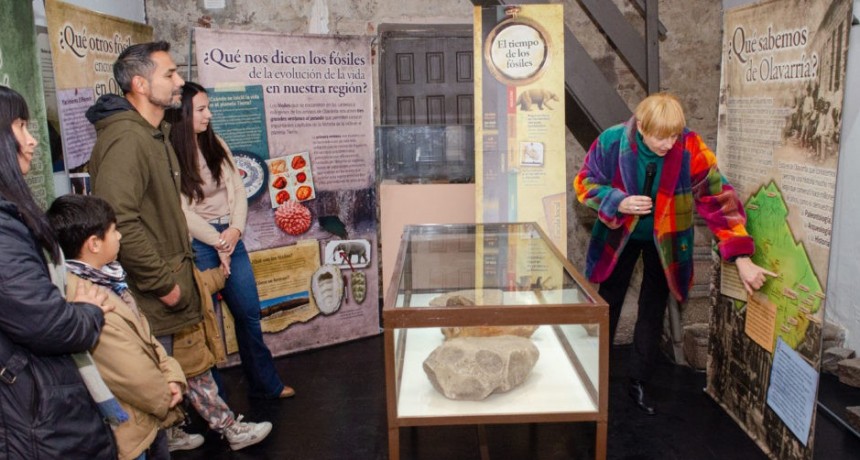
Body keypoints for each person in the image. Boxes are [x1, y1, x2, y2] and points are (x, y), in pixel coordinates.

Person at [86, 41, 272, 451]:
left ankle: (173, 433)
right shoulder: (127, 141)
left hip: (168, 275)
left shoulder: (151, 136)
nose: (179, 81)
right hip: (156, 284)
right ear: (139, 83)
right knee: (167, 368)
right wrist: (163, 282)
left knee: (173, 367)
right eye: (169, 74)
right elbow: (119, 220)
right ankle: (201, 431)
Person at [573, 92, 776, 415]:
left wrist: (742, 257)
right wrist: (616, 201)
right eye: (660, 136)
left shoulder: (691, 148)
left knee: (652, 310)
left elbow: (718, 199)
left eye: (673, 135)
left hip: (666, 242)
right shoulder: (612, 141)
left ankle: (638, 381)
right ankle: (594, 378)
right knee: (606, 303)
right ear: (641, 126)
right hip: (618, 237)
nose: (668, 144)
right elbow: (584, 182)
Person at [0, 85, 116, 458]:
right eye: (20, 126)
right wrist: (86, 310)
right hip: (32, 412)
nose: (32, 140)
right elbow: (52, 325)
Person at [166, 81, 293, 400]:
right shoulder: (168, 154)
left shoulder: (216, 143)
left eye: (208, 107)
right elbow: (179, 210)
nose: (209, 114)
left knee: (249, 314)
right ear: (183, 113)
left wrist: (234, 231)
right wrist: (219, 241)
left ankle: (267, 383)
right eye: (201, 109)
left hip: (231, 239)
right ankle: (215, 401)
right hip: (199, 244)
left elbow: (238, 190)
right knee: (204, 325)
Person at [47, 194, 187, 460]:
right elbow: (129, 371)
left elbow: (146, 336)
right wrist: (165, 397)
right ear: (94, 244)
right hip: (130, 429)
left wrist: (172, 374)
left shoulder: (110, 280)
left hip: (144, 420)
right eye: (115, 230)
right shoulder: (89, 299)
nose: (121, 236)